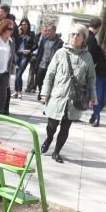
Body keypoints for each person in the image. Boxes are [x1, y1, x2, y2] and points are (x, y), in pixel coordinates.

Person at [40, 23, 97, 163]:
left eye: (79, 35)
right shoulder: (61, 53)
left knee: (66, 126)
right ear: (68, 36)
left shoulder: (87, 57)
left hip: (75, 98)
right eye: (73, 34)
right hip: (58, 95)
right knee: (52, 124)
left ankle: (56, 152)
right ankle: (48, 138)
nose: (75, 37)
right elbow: (50, 74)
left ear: (84, 38)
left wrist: (93, 97)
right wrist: (45, 92)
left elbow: (91, 78)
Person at [35, 24, 63, 100]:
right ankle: (41, 91)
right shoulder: (44, 39)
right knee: (39, 79)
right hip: (42, 63)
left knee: (48, 81)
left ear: (54, 31)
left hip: (52, 65)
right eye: (47, 30)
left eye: (49, 31)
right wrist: (37, 63)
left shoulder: (59, 42)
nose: (47, 32)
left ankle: (45, 95)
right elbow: (40, 52)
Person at [13, 18, 37, 99]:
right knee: (17, 74)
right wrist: (18, 33)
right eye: (22, 24)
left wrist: (29, 50)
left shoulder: (31, 34)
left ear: (28, 25)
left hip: (25, 56)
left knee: (19, 74)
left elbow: (36, 45)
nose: (23, 26)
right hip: (17, 55)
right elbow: (13, 42)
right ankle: (16, 92)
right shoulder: (17, 33)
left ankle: (19, 92)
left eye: (25, 24)